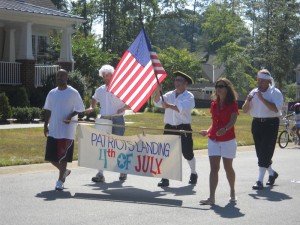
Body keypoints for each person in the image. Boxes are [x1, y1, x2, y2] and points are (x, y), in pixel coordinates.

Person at [86, 64, 130, 182]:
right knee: (102, 147)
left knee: (118, 146)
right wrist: (92, 107)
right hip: (104, 120)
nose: (106, 78)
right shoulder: (100, 89)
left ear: (113, 75)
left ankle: (123, 171)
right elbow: (94, 98)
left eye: (108, 75)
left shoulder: (120, 88)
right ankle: (100, 174)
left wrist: (124, 108)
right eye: (104, 76)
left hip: (117, 119)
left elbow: (131, 102)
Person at [153, 71, 197, 187]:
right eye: (176, 80)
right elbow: (157, 102)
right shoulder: (170, 94)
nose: (176, 82)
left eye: (179, 80)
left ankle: (193, 173)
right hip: (169, 127)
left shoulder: (189, 96)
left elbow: (180, 108)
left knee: (187, 153)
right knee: (166, 152)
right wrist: (158, 90)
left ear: (185, 83)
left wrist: (168, 106)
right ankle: (165, 177)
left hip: (183, 127)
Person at [44, 69, 85, 191]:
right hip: (54, 129)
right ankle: (65, 171)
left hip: (67, 131)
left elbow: (80, 108)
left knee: (63, 157)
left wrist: (70, 116)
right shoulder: (52, 93)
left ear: (67, 77)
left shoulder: (73, 92)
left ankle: (60, 181)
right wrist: (45, 125)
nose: (59, 78)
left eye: (62, 76)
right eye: (58, 76)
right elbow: (48, 109)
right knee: (50, 157)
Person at [199, 78, 239, 205]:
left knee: (228, 168)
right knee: (214, 168)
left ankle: (232, 190)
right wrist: (208, 130)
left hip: (228, 139)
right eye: (217, 86)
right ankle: (211, 197)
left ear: (227, 88)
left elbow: (233, 121)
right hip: (214, 139)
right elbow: (213, 122)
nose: (218, 88)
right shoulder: (213, 104)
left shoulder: (233, 103)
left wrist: (225, 129)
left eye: (221, 86)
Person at [242, 69, 283, 190]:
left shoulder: (275, 92)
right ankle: (272, 173)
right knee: (260, 152)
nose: (259, 83)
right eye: (258, 80)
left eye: (262, 81)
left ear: (268, 81)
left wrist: (262, 99)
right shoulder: (254, 92)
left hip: (270, 124)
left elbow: (275, 109)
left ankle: (259, 181)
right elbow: (244, 110)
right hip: (256, 123)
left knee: (266, 151)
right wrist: (248, 101)